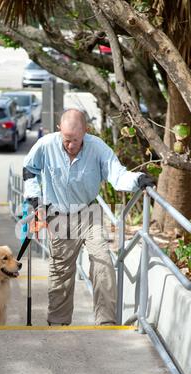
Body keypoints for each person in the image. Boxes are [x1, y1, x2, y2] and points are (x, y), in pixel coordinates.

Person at [22, 109, 154, 326]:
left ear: (86, 131)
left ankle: (106, 322)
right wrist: (35, 199)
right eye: (66, 140)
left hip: (88, 213)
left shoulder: (98, 148)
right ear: (59, 131)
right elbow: (29, 170)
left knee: (102, 261)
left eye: (75, 140)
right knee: (61, 270)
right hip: (58, 214)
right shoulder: (46, 145)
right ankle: (58, 322)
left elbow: (117, 175)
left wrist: (138, 179)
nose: (70, 146)